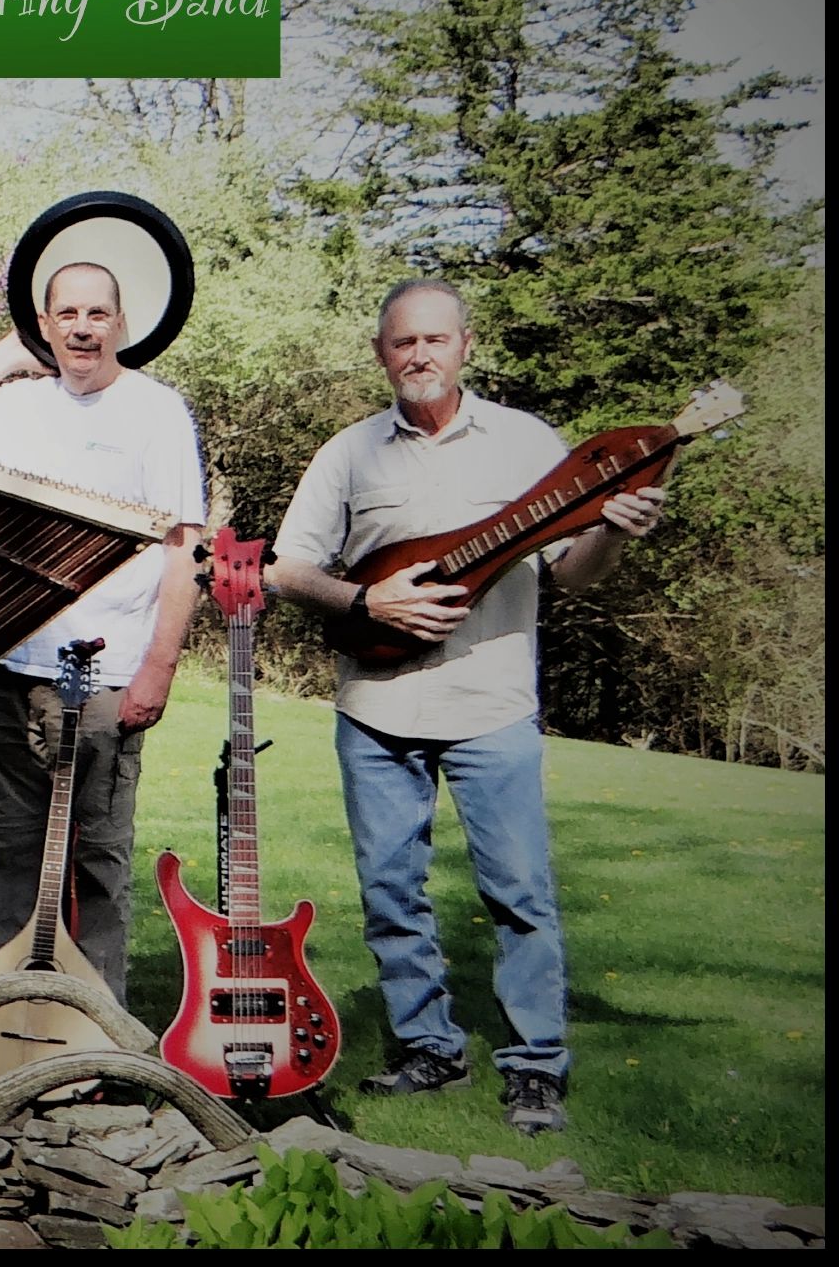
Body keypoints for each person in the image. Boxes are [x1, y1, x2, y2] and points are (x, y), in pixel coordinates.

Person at [266, 279, 667, 1136]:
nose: (419, 355)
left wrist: (612, 533)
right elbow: (285, 568)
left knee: (520, 891)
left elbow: (569, 573)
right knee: (390, 891)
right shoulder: (349, 452)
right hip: (377, 703)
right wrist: (367, 605)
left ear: (466, 346)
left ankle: (534, 1069)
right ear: (382, 353)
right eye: (403, 342)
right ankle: (427, 1051)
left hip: (493, 704)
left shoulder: (527, 444)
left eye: (436, 340)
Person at [0, 262, 206, 1005]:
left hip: (109, 675)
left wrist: (159, 667)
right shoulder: (14, 407)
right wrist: (7, 352)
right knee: (0, 853)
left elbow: (184, 547)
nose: (82, 328)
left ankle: (96, 1036)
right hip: (5, 668)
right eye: (65, 315)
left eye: (97, 314)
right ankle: (4, 1025)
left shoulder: (156, 411)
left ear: (121, 324)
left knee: (98, 862)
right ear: (44, 324)